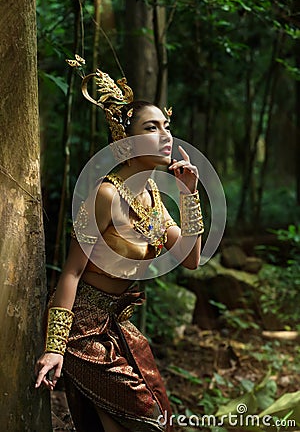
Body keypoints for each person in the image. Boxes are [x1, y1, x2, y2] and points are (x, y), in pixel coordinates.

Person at [35, 61, 204, 432]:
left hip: (118, 326)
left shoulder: (155, 195)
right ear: (124, 139)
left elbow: (190, 259)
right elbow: (72, 271)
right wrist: (54, 346)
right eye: (151, 127)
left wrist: (189, 195)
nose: (166, 135)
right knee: (145, 420)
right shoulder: (104, 194)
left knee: (145, 419)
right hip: (82, 332)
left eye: (167, 126)